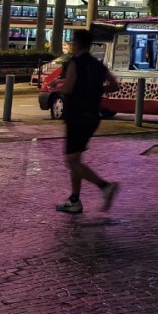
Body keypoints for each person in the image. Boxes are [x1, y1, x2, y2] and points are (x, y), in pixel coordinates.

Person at [55, 29, 121, 215]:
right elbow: (114, 86)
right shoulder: (98, 65)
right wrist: (96, 89)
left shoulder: (75, 63)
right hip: (93, 116)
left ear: (76, 43)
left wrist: (59, 86)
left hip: (76, 115)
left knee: (71, 161)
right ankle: (74, 199)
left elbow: (68, 88)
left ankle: (105, 186)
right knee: (76, 159)